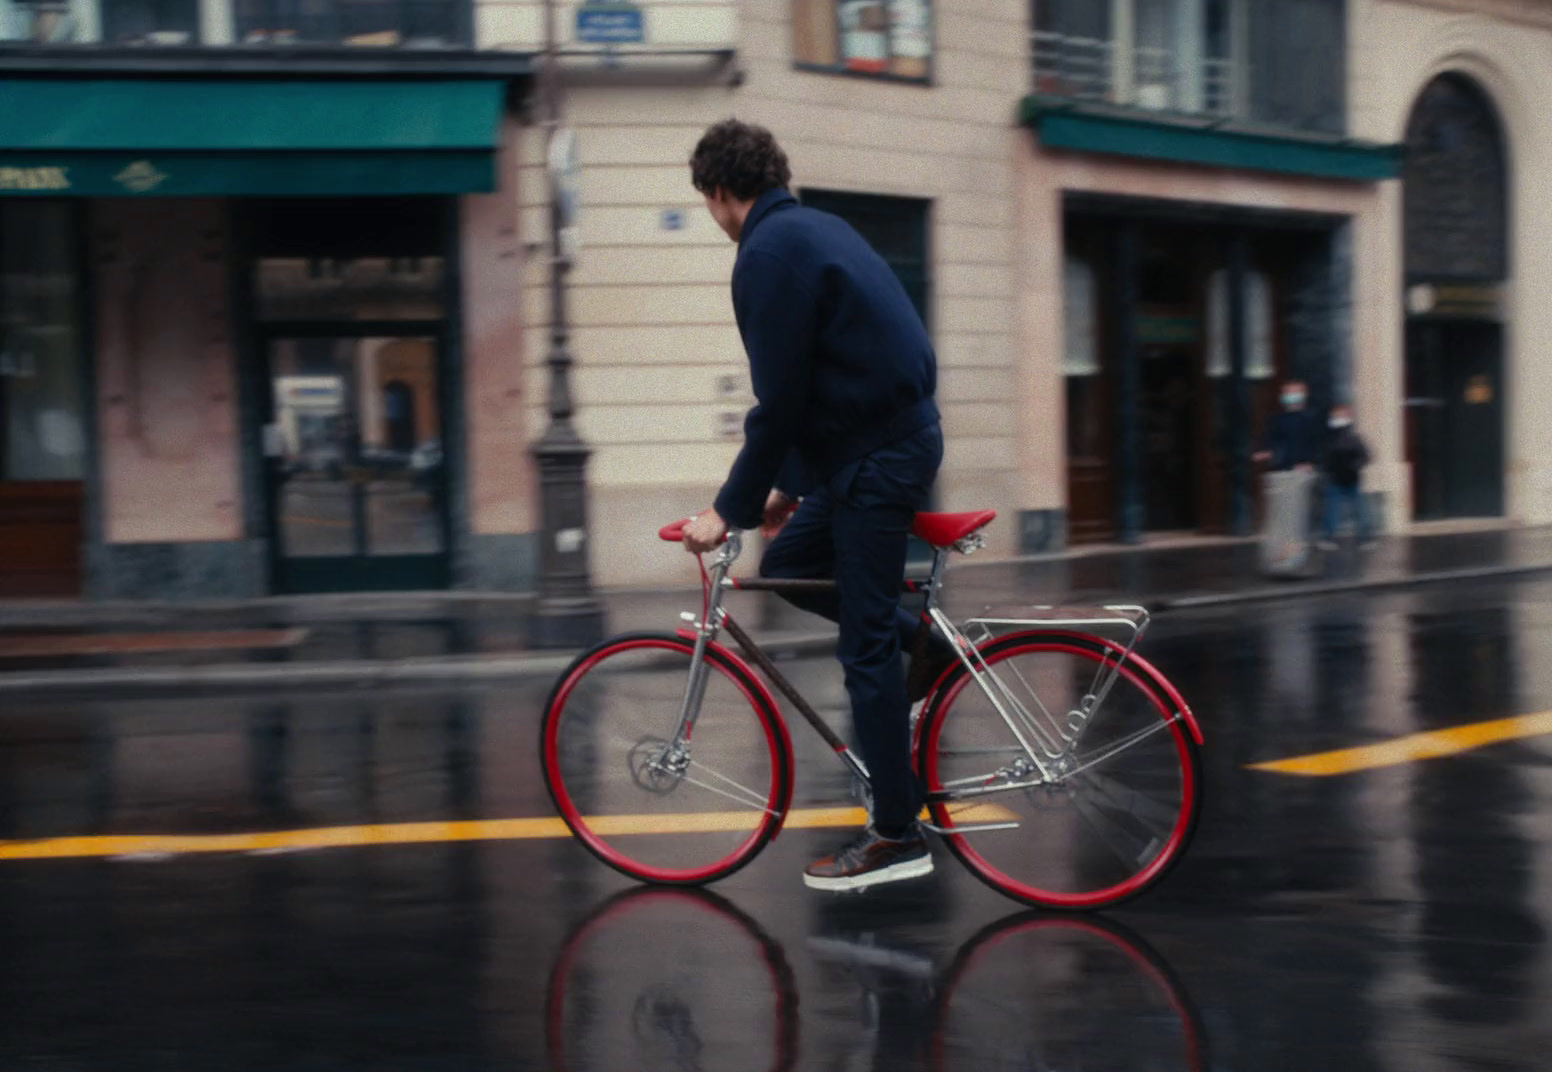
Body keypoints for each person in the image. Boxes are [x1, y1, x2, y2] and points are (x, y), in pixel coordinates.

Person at [679, 118, 950, 892]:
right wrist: (784, 492)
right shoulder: (812, 228)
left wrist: (724, 511)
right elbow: (823, 382)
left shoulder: (764, 254)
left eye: (706, 200)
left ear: (720, 193)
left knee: (863, 650)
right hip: (876, 443)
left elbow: (779, 403)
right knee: (793, 560)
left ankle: (897, 835)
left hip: (878, 456)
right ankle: (926, 645)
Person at [1319, 405, 1375, 551]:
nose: (1337, 419)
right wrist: (1328, 469)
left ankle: (1365, 538)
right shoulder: (1329, 439)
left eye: (1340, 416)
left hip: (1352, 479)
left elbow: (1366, 456)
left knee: (1361, 510)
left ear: (1348, 418)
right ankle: (1328, 538)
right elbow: (1324, 457)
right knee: (1332, 512)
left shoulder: (1354, 438)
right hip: (1335, 480)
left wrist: (1354, 465)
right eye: (1335, 416)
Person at [1254, 380, 1319, 472]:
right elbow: (1271, 443)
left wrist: (1312, 464)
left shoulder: (1314, 419)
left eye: (1296, 392)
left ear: (1305, 394)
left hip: (1306, 471)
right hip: (1280, 471)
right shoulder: (1276, 420)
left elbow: (1319, 445)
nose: (1291, 395)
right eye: (1288, 392)